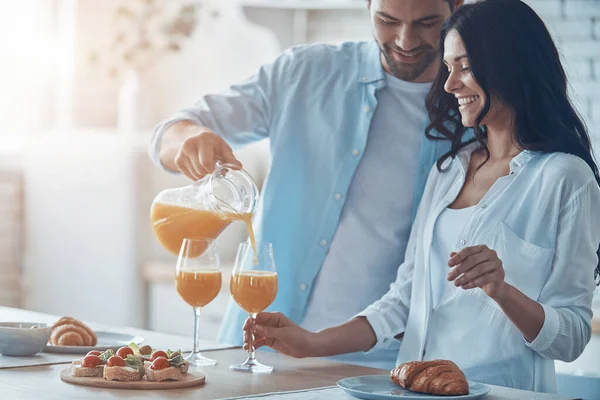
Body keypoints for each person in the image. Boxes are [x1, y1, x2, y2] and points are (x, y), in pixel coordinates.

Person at [242, 0, 600, 393]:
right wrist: (310, 342)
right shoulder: (451, 169)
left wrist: (501, 290)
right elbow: (402, 300)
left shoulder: (566, 179)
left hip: (502, 392)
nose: (449, 84)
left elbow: (573, 336)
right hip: (411, 388)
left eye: (464, 66)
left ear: (511, 64)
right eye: (449, 68)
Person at [150, 0, 464, 369]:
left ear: (457, 7)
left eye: (427, 23)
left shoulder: (472, 108)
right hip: (257, 349)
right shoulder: (305, 72)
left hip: (383, 366)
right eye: (387, 20)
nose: (405, 39)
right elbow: (171, 132)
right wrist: (189, 140)